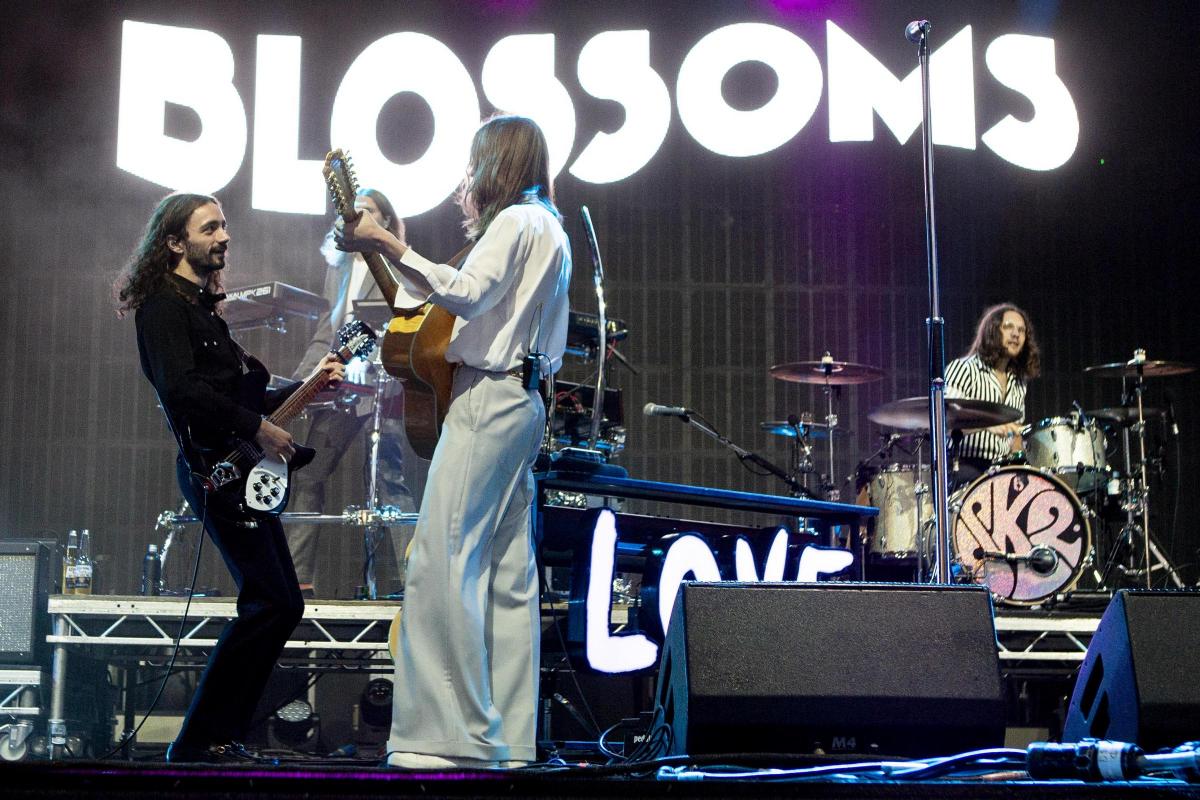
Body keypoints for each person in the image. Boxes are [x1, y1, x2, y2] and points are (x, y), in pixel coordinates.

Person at [336, 115, 572, 769]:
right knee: (506, 575)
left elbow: (464, 294)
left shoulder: (518, 222)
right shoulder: (546, 225)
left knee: (443, 559)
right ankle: (508, 735)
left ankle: (448, 737)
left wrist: (381, 234)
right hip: (522, 401)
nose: (464, 183)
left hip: (491, 396)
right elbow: (439, 296)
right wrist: (383, 251)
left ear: (496, 163)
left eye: (472, 167)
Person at [115, 193, 345, 762]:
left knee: (278, 603)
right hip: (216, 471)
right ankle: (201, 742)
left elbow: (239, 395)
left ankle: (216, 737)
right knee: (271, 602)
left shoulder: (201, 309)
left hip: (236, 468)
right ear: (174, 242)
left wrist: (306, 385)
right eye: (210, 227)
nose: (224, 236)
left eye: (225, 226)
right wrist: (261, 431)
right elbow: (183, 390)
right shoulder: (164, 309)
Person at [288, 188, 415, 599]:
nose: (357, 217)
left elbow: (404, 322)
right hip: (342, 387)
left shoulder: (396, 263)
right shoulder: (338, 267)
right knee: (308, 474)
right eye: (352, 211)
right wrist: (298, 385)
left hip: (384, 386)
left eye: (369, 211)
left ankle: (414, 582)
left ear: (385, 220)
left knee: (387, 480)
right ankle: (298, 581)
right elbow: (326, 331)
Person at [944, 303, 1041, 483]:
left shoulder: (1019, 381)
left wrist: (1022, 463)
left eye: (1021, 330)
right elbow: (947, 422)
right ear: (992, 332)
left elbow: (1015, 435)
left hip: (1001, 468)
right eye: (1008, 327)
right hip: (964, 467)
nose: (1016, 334)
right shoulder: (963, 369)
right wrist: (987, 423)